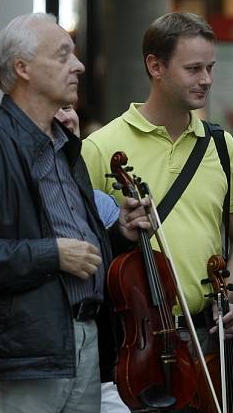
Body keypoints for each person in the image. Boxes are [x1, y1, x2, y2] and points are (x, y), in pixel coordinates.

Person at [0, 12, 150, 413]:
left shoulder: (66, 148)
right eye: (63, 55)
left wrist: (118, 234)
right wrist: (51, 254)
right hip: (21, 359)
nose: (78, 65)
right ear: (22, 68)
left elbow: (75, 245)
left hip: (83, 342)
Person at [81, 12, 233, 350]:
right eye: (193, 69)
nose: (206, 79)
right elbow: (85, 247)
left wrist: (228, 298)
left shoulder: (221, 145)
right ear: (155, 66)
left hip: (209, 336)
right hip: (135, 339)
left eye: (210, 68)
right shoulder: (99, 147)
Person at [55, 105, 131, 413]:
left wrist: (124, 234)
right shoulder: (12, 185)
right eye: (54, 105)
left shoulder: (100, 202)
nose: (66, 117)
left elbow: (118, 278)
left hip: (99, 366)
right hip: (38, 362)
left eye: (69, 106)